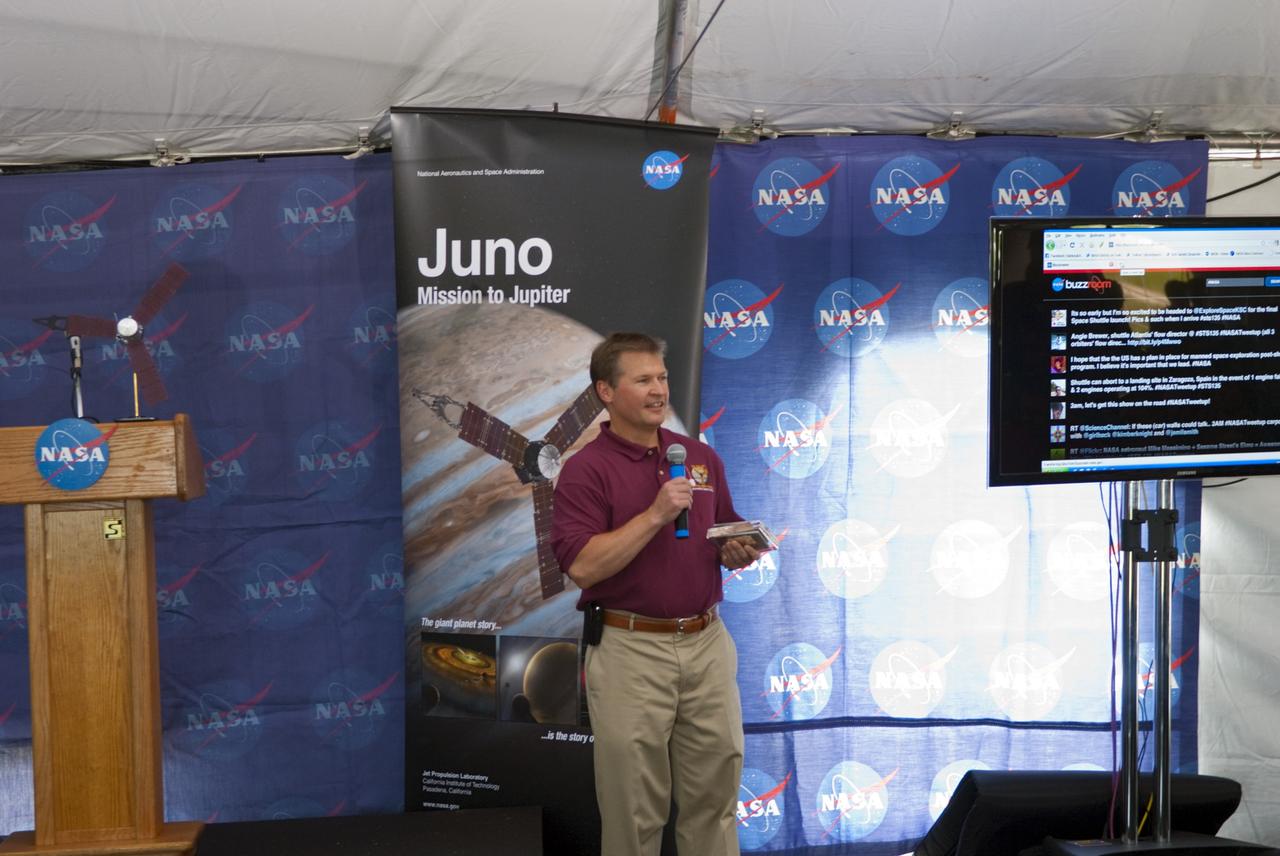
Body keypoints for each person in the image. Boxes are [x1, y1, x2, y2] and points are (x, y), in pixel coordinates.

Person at [550, 332, 759, 856]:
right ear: (606, 390)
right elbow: (582, 566)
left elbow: (724, 527)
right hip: (630, 649)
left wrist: (736, 548)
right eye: (642, 379)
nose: (658, 390)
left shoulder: (699, 457)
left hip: (707, 643)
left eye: (662, 377)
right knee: (634, 810)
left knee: (715, 798)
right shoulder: (585, 471)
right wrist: (656, 515)